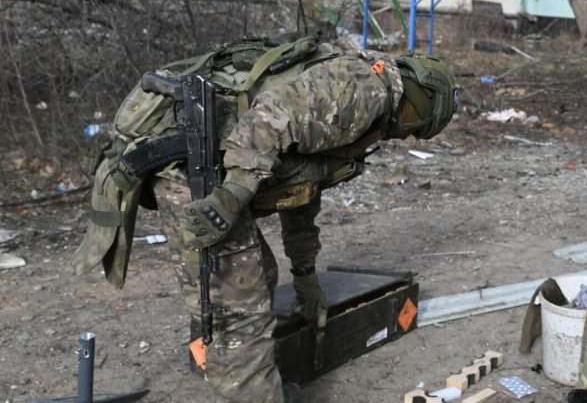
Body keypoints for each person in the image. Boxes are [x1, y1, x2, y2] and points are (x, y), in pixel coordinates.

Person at [71, 36, 458, 402]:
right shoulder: (365, 91)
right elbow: (267, 120)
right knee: (240, 316)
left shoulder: (362, 101)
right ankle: (242, 378)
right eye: (416, 129)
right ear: (420, 102)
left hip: (213, 156)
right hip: (189, 156)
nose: (405, 137)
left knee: (259, 275)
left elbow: (303, 189)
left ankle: (238, 373)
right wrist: (233, 194)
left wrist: (305, 276)